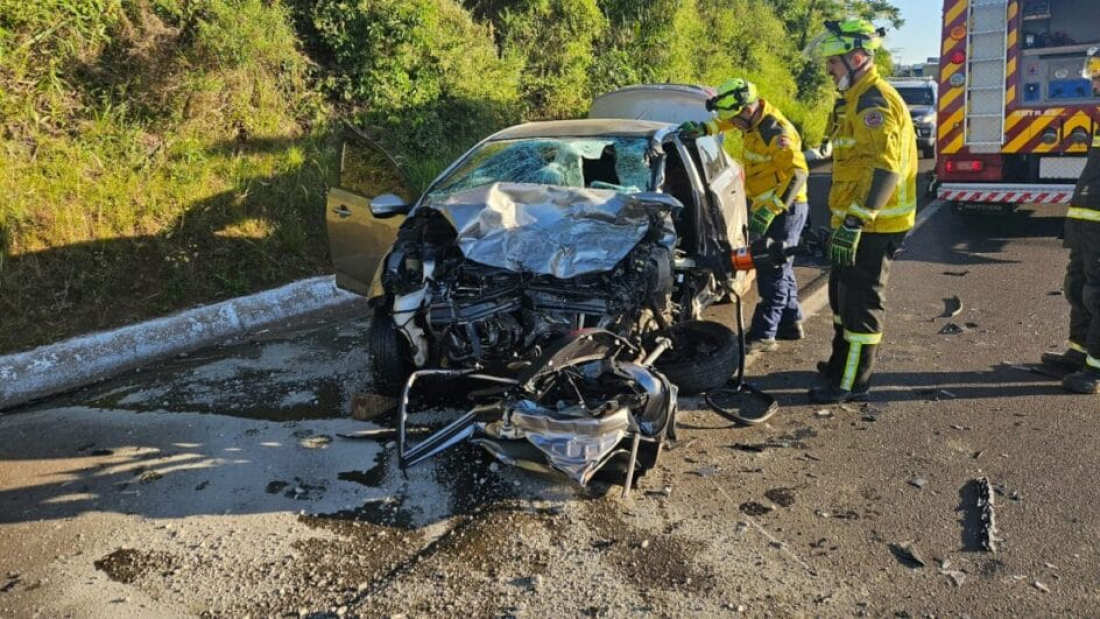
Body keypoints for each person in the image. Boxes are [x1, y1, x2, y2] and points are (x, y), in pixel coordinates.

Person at [803, 19, 917, 403]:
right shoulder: (854, 99)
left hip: (874, 225)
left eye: (833, 62)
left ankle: (851, 382)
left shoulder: (875, 102)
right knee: (840, 296)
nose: (828, 70)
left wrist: (855, 222)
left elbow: (887, 169)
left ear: (856, 58)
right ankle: (839, 364)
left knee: (860, 305)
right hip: (856, 222)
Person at [679, 78, 810, 353]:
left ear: (747, 111)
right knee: (781, 263)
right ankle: (790, 320)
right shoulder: (748, 117)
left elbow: (798, 174)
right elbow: (725, 122)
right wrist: (704, 128)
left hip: (787, 208)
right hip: (769, 205)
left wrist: (773, 209)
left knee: (770, 267)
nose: (734, 125)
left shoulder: (775, 133)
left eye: (736, 120)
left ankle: (764, 334)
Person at [1041, 47, 1100, 394]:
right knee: (1078, 285)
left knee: (1098, 292)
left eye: (1097, 71)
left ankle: (1094, 369)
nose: (1093, 78)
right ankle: (1078, 353)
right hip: (1088, 222)